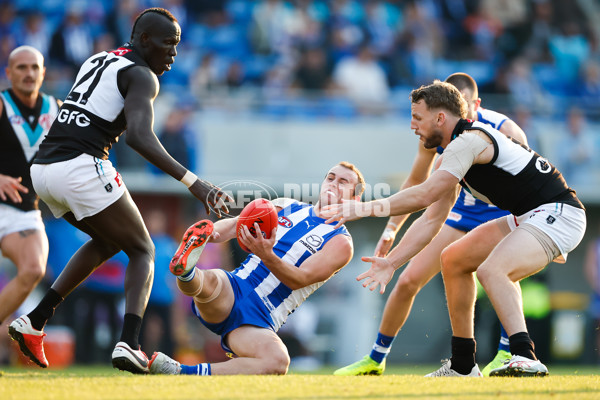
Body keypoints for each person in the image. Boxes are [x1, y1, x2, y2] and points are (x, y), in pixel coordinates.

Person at [8, 8, 230, 375]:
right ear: (144, 41)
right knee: (144, 249)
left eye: (177, 45)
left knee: (109, 242)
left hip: (44, 169)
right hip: (80, 164)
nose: (174, 54)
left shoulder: (100, 57)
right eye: (168, 44)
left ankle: (35, 320)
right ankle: (130, 343)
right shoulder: (143, 75)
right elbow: (139, 137)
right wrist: (196, 183)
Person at [324, 81, 586, 377]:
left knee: (491, 270)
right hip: (530, 216)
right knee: (453, 259)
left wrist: (362, 208)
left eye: (417, 117)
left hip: (559, 214)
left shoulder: (470, 141)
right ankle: (463, 364)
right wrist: (393, 262)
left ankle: (524, 355)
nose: (412, 126)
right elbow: (431, 218)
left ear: (440, 118)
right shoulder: (453, 151)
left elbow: (423, 194)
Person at [148, 162, 364, 376]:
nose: (334, 183)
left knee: (278, 362)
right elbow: (235, 226)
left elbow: (300, 278)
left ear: (354, 199)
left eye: (343, 182)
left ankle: (179, 371)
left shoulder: (341, 242)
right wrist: (210, 233)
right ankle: (187, 272)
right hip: (236, 287)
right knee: (212, 281)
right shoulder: (287, 206)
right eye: (331, 177)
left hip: (261, 318)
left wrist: (266, 255)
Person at [0, 46, 60, 328]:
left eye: (35, 67)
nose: (29, 73)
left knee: (34, 269)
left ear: (43, 72)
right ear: (8, 73)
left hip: (23, 210)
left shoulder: (56, 108)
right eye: (21, 67)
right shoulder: (1, 103)